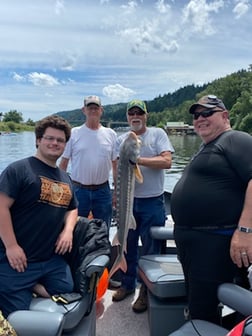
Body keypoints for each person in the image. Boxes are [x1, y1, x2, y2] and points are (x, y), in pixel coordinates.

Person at [171, 94, 252, 325]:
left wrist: (246, 230)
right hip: (194, 244)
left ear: (225, 116)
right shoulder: (208, 147)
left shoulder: (235, 139)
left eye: (207, 113)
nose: (200, 118)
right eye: (196, 115)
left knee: (204, 309)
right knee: (199, 303)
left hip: (215, 242)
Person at [0, 115, 78, 318]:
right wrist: (11, 246)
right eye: (49, 138)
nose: (55, 143)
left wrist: (68, 231)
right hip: (16, 258)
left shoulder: (65, 177)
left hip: (49, 258)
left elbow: (72, 208)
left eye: (60, 140)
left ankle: (34, 285)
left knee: (68, 287)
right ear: (38, 140)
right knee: (18, 318)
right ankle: (26, 284)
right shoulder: (19, 169)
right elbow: (1, 207)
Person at [112, 99, 174, 313]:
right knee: (127, 244)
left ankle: (145, 293)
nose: (135, 116)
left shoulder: (158, 134)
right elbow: (116, 167)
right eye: (131, 113)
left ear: (146, 115)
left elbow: (167, 162)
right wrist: (115, 193)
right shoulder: (121, 139)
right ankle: (127, 285)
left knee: (150, 249)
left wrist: (137, 160)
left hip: (153, 202)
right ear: (127, 117)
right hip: (127, 201)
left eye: (139, 112)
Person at [59, 95, 117, 227]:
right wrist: (60, 188)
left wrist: (116, 193)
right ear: (83, 110)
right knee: (74, 229)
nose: (93, 110)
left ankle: (102, 248)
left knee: (103, 229)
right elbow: (64, 163)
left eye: (96, 108)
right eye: (89, 107)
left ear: (101, 110)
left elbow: (115, 165)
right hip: (78, 190)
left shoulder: (111, 134)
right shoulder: (74, 133)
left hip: (103, 191)